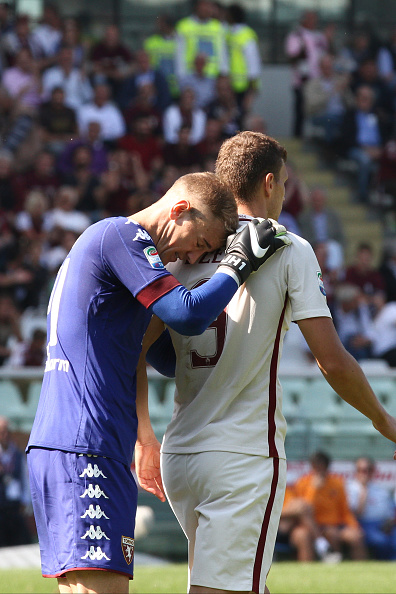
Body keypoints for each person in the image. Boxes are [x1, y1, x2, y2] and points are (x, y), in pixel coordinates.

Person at [138, 131, 396, 594]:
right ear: (270, 183)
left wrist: (142, 433)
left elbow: (141, 347)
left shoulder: (180, 248)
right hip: (242, 456)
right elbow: (332, 362)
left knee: (244, 583)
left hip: (182, 455)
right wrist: (383, 420)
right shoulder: (288, 247)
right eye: (286, 184)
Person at [26, 170, 290, 594]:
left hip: (84, 442)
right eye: (200, 243)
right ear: (180, 209)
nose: (190, 257)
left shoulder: (115, 254)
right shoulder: (121, 235)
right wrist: (236, 267)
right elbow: (187, 314)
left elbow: (167, 358)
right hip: (85, 443)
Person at [294, 452, 367, 560]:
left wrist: (354, 525)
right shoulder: (303, 482)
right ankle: (307, 570)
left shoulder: (337, 483)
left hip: (332, 526)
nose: (318, 470)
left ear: (327, 467)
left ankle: (355, 568)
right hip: (309, 527)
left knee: (354, 536)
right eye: (315, 467)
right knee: (302, 536)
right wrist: (314, 489)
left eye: (321, 467)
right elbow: (304, 509)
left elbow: (345, 510)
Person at [346, 456, 396, 559]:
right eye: (362, 470)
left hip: (384, 525)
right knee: (379, 540)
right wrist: (364, 491)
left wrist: (389, 523)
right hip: (363, 525)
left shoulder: (381, 489)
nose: (365, 474)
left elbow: (390, 513)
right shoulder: (350, 489)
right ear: (356, 471)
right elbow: (356, 514)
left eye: (368, 470)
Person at [0, 416, 31, 547]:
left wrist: (26, 501)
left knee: (21, 543)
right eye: (2, 433)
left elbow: (25, 479)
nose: (5, 435)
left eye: (7, 432)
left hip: (15, 507)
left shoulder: (17, 454)